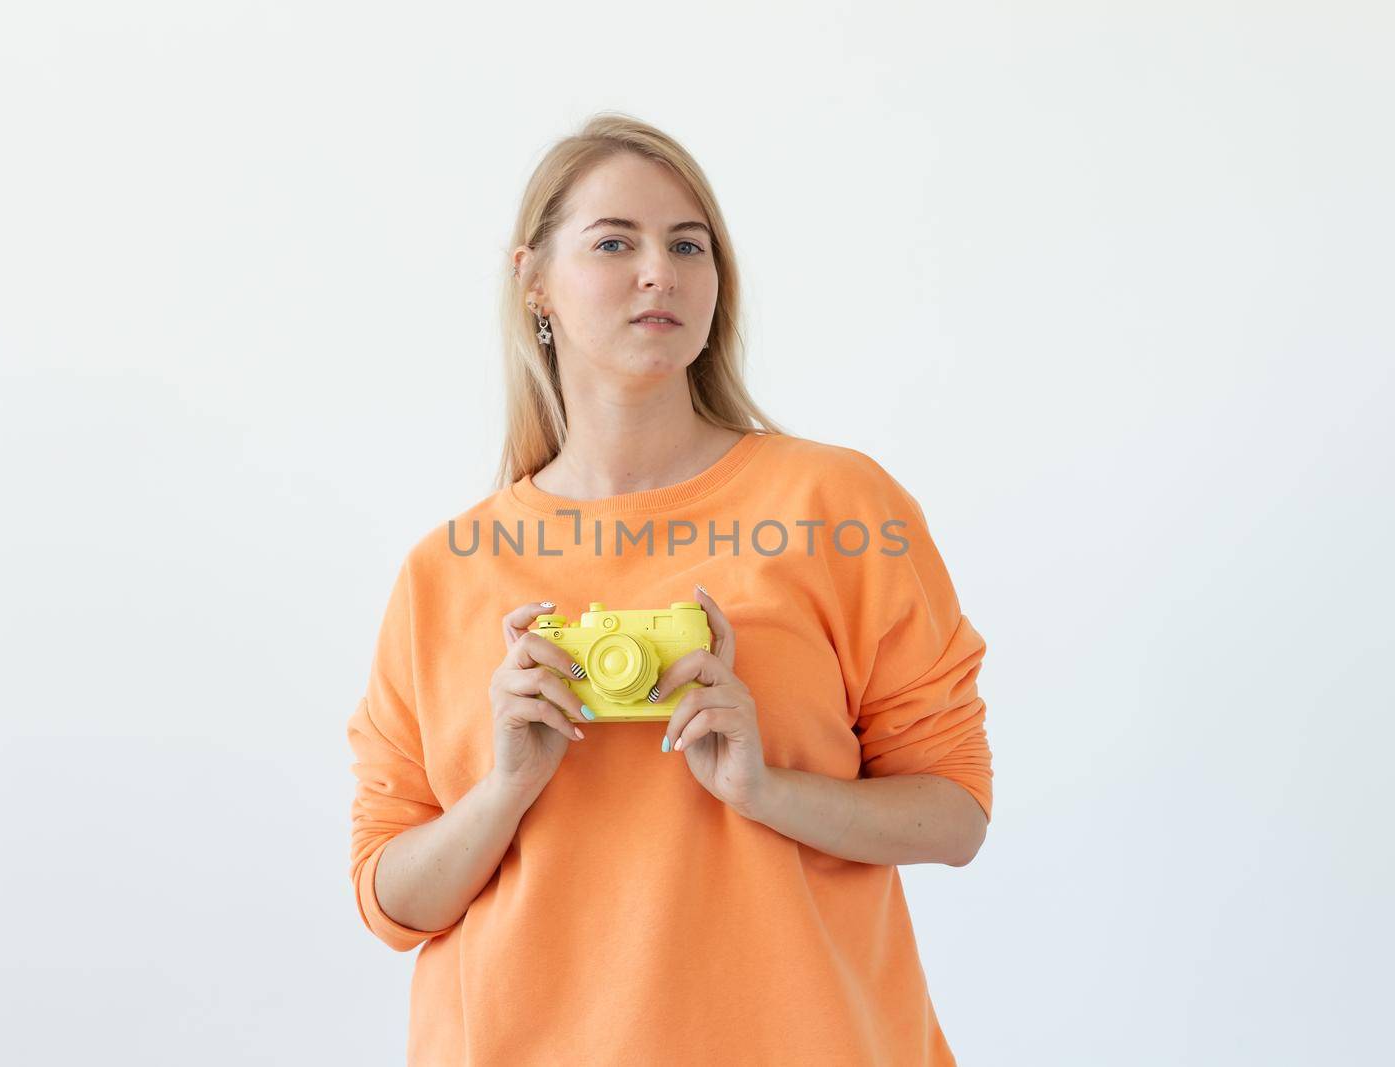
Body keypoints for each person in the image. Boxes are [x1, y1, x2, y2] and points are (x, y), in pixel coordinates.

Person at [346, 112, 994, 1066]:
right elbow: (390, 899)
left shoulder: (836, 505)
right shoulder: (446, 569)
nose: (661, 271)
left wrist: (762, 787)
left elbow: (955, 814)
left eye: (689, 245)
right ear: (534, 280)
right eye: (616, 242)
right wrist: (506, 788)